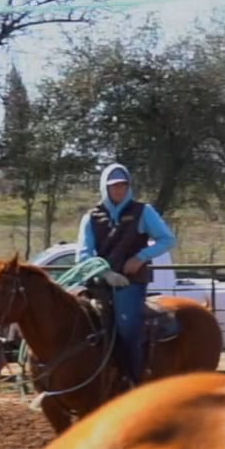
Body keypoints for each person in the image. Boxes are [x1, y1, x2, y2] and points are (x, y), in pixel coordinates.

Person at [80, 163, 176, 387]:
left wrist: (141, 257)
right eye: (114, 186)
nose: (119, 190)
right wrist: (104, 272)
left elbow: (167, 239)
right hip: (99, 282)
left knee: (126, 326)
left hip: (131, 283)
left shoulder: (143, 212)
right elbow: (83, 253)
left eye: (123, 185)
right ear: (105, 187)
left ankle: (134, 380)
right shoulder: (91, 217)